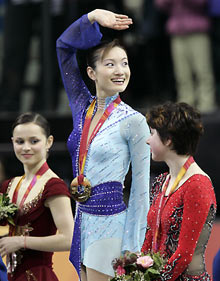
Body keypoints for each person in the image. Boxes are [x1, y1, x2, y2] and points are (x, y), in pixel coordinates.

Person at [56, 8, 150, 281]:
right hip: (82, 220)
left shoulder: (134, 121)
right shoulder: (82, 107)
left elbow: (141, 191)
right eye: (110, 64)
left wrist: (132, 248)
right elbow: (63, 47)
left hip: (111, 225)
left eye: (125, 63)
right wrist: (92, 17)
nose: (120, 70)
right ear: (91, 72)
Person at [141, 101, 217, 280]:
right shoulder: (161, 182)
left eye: (152, 133)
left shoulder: (197, 184)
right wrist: (137, 270)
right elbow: (149, 236)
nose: (147, 139)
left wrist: (155, 279)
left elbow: (184, 254)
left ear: (168, 140)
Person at [0, 112, 74, 281]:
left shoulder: (54, 186)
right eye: (20, 141)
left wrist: (22, 242)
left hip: (38, 275)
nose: (26, 147)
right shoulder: (8, 186)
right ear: (12, 142)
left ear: (49, 142)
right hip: (11, 275)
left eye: (34, 141)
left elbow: (69, 239)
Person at [155, 0, 216, 114]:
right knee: (181, 72)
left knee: (202, 70)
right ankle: (186, 104)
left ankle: (207, 103)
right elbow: (160, 4)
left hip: (197, 30)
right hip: (177, 32)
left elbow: (202, 3)